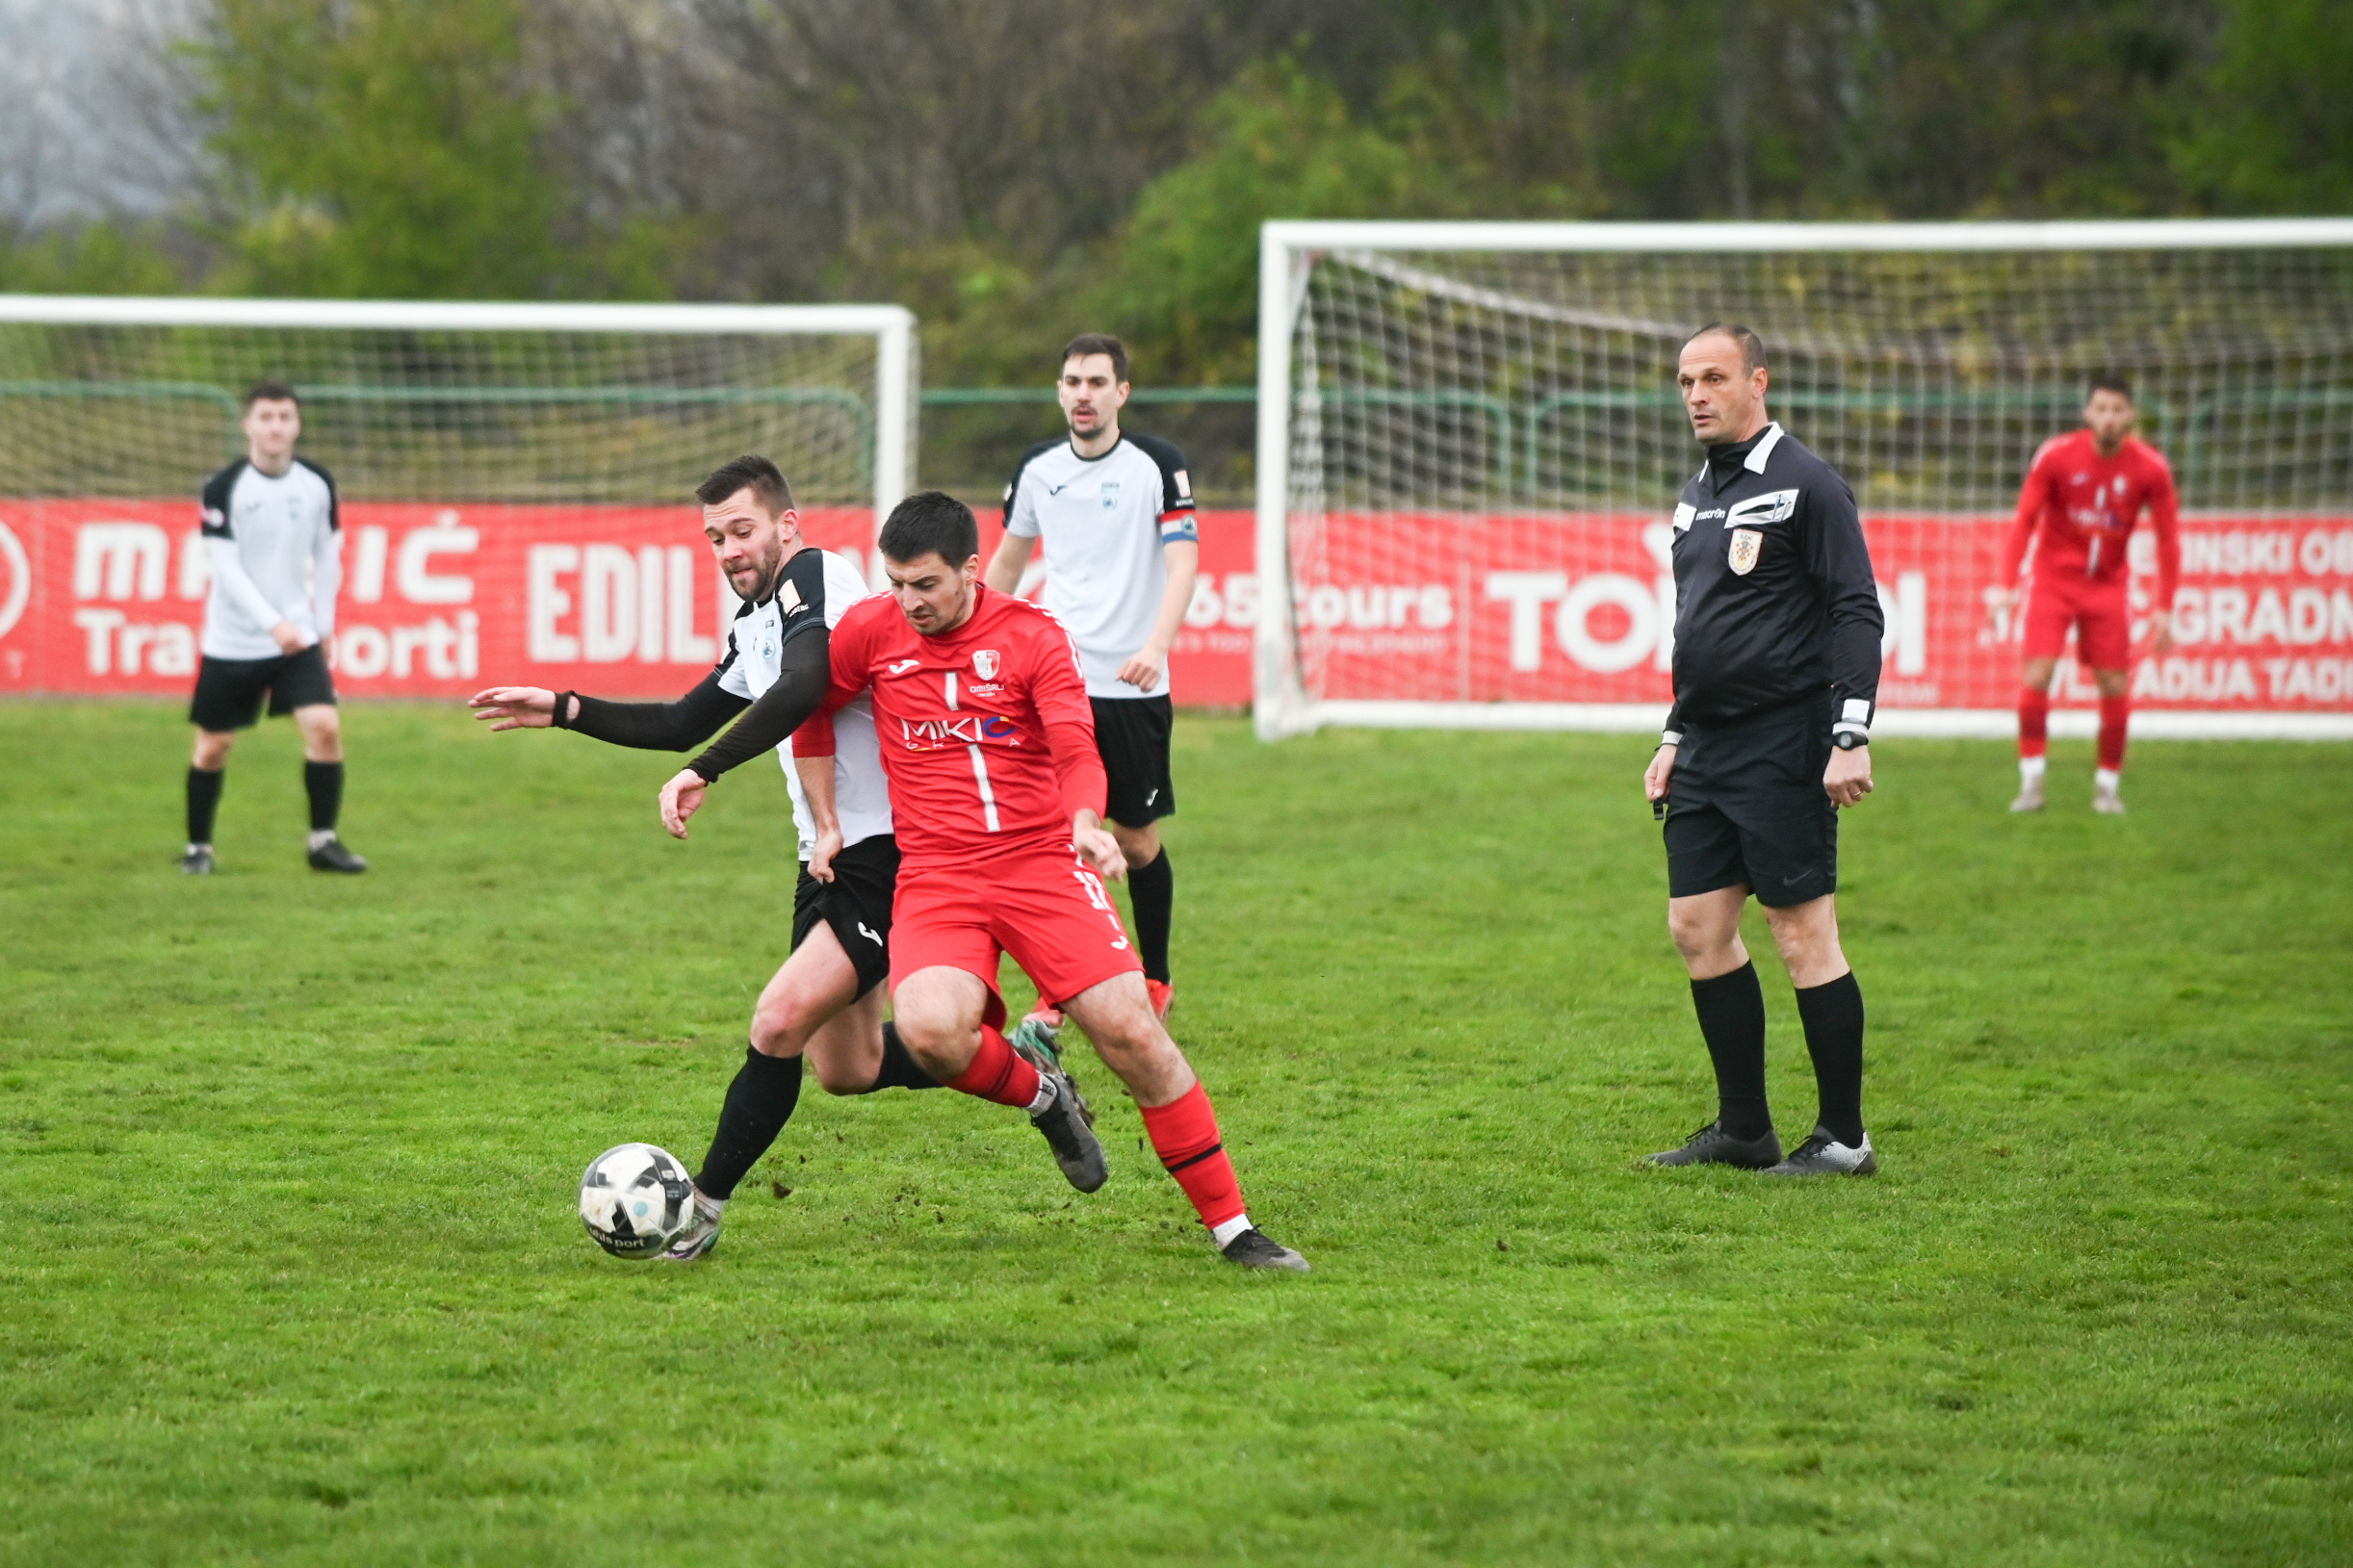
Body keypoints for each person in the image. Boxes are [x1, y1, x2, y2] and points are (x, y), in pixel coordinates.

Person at [470, 456, 1087, 1264]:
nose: (728, 548)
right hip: (825, 856)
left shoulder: (815, 579)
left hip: (889, 847)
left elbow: (801, 688)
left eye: (742, 529)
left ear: (786, 525)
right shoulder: (757, 619)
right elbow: (683, 716)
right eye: (714, 536)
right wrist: (563, 708)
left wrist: (707, 768)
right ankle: (1036, 1079)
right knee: (850, 1066)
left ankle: (701, 1208)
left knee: (777, 1020)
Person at [708, 489, 1306, 1271]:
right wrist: (827, 820)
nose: (907, 602)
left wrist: (1088, 821)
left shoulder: (1032, 635)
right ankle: (1043, 1094)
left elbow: (1074, 748)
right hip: (936, 879)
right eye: (895, 583)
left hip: (1040, 866)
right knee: (927, 1030)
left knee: (1133, 1035)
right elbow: (812, 710)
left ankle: (1236, 1230)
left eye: (925, 584)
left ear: (970, 569)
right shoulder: (871, 632)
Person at [1642, 323, 1885, 1178]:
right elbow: (1700, 629)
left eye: (1713, 377)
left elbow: (1856, 610)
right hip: (1706, 743)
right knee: (1697, 928)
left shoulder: (1810, 485)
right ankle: (1746, 1130)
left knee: (1801, 934)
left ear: (1758, 381)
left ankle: (1846, 1139)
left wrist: (1849, 732)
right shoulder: (1695, 494)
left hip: (1788, 739)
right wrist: (1675, 731)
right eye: (1684, 381)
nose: (1696, 395)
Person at [984, 334, 1199, 1030]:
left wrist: (1155, 644)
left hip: (1133, 687)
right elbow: (1005, 570)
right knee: (1061, 836)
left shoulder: (1157, 466)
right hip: (1054, 685)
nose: (1083, 393)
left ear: (1121, 393)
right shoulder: (1038, 471)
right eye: (1072, 381)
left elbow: (1184, 562)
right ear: (1059, 390)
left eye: (1097, 382)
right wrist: (970, 651)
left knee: (1134, 842)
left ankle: (1156, 977)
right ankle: (1064, 985)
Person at [182, 380, 365, 875]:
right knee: (214, 746)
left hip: (297, 636)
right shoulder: (224, 487)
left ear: (297, 425)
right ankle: (199, 847)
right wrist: (272, 623)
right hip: (233, 639)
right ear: (248, 425)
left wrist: (320, 627)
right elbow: (228, 568)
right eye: (266, 417)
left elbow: (328, 557)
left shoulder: (317, 483)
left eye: (285, 417)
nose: (276, 426)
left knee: (325, 728)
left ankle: (323, 842)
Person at [1989, 376, 2181, 815]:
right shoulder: (2056, 456)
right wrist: (2006, 585)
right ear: (2087, 413)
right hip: (2054, 582)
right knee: (2037, 674)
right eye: (2101, 408)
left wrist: (2164, 606)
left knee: (2114, 682)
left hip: (2108, 586)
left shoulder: (2150, 468)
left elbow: (2170, 541)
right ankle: (2032, 783)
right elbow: (2025, 519)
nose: (2109, 418)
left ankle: (2107, 788)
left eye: (2118, 410)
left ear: (2131, 415)